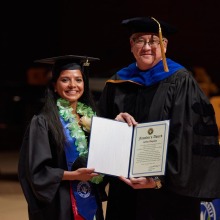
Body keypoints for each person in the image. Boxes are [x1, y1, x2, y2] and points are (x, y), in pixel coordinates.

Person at [98, 16, 220, 220]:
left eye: (154, 41)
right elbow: (103, 134)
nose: (147, 46)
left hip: (167, 192)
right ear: (131, 45)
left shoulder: (181, 81)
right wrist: (113, 124)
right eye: (140, 40)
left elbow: (189, 138)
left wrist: (157, 179)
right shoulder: (117, 82)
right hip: (126, 187)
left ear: (165, 45)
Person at [18, 55, 106, 220]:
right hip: (60, 203)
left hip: (90, 198)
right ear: (55, 86)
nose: (73, 85)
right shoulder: (43, 122)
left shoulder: (90, 119)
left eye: (78, 80)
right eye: (65, 80)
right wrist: (74, 175)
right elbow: (36, 171)